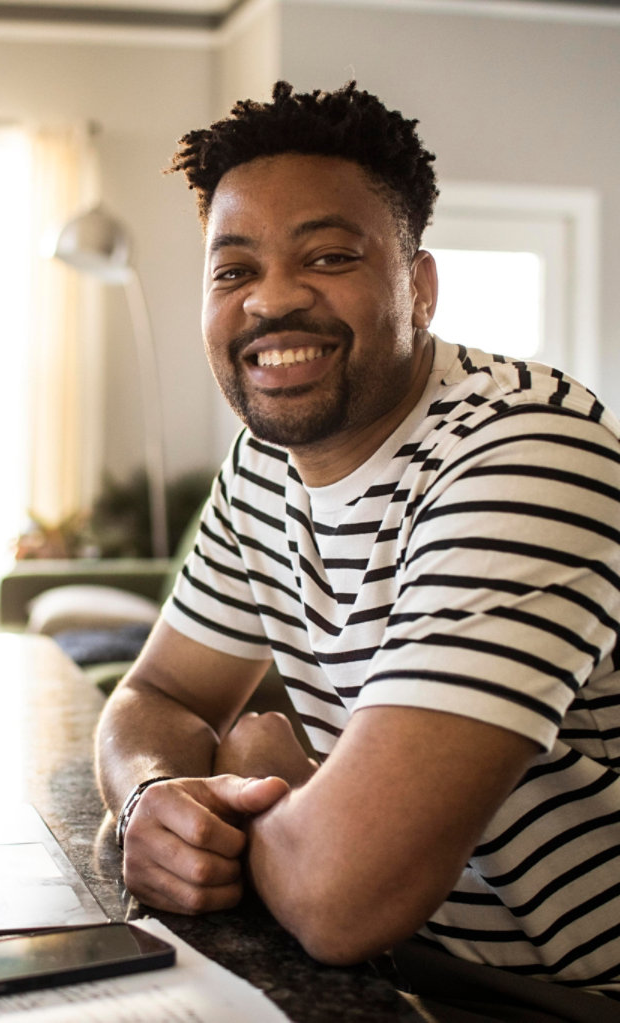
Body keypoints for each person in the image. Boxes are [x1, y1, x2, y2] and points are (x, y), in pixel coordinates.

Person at [94, 81, 620, 1011]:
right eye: (232, 270)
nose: (273, 300)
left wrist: (273, 776)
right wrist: (156, 797)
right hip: (397, 964)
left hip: (557, 994)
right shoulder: (263, 464)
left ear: (417, 284)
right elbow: (157, 695)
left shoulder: (531, 455)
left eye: (329, 255)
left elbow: (343, 898)